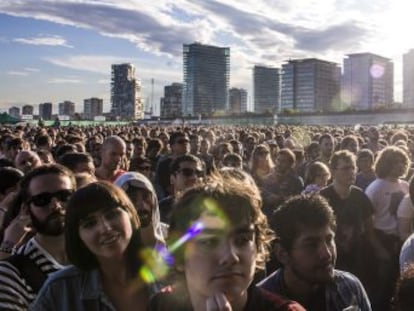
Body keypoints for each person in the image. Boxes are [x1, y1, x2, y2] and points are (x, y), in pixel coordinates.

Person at [149, 174, 305, 311]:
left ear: (257, 247)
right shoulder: (161, 305)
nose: (230, 256)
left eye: (242, 240)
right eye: (209, 242)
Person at [30, 181, 160, 310]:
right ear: (78, 236)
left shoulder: (167, 275)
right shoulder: (61, 290)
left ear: (130, 215)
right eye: (90, 224)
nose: (106, 228)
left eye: (111, 214)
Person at [257, 194, 371, 311]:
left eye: (329, 240)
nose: (327, 254)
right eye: (311, 245)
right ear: (282, 254)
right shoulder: (259, 303)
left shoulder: (349, 288)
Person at [0, 164, 76, 309]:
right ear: (27, 209)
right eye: (42, 199)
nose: (56, 205)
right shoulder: (13, 273)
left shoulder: (98, 252)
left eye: (65, 196)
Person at [114, 171, 167, 248]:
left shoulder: (170, 234)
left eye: (146, 197)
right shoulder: (115, 246)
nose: (142, 206)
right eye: (132, 200)